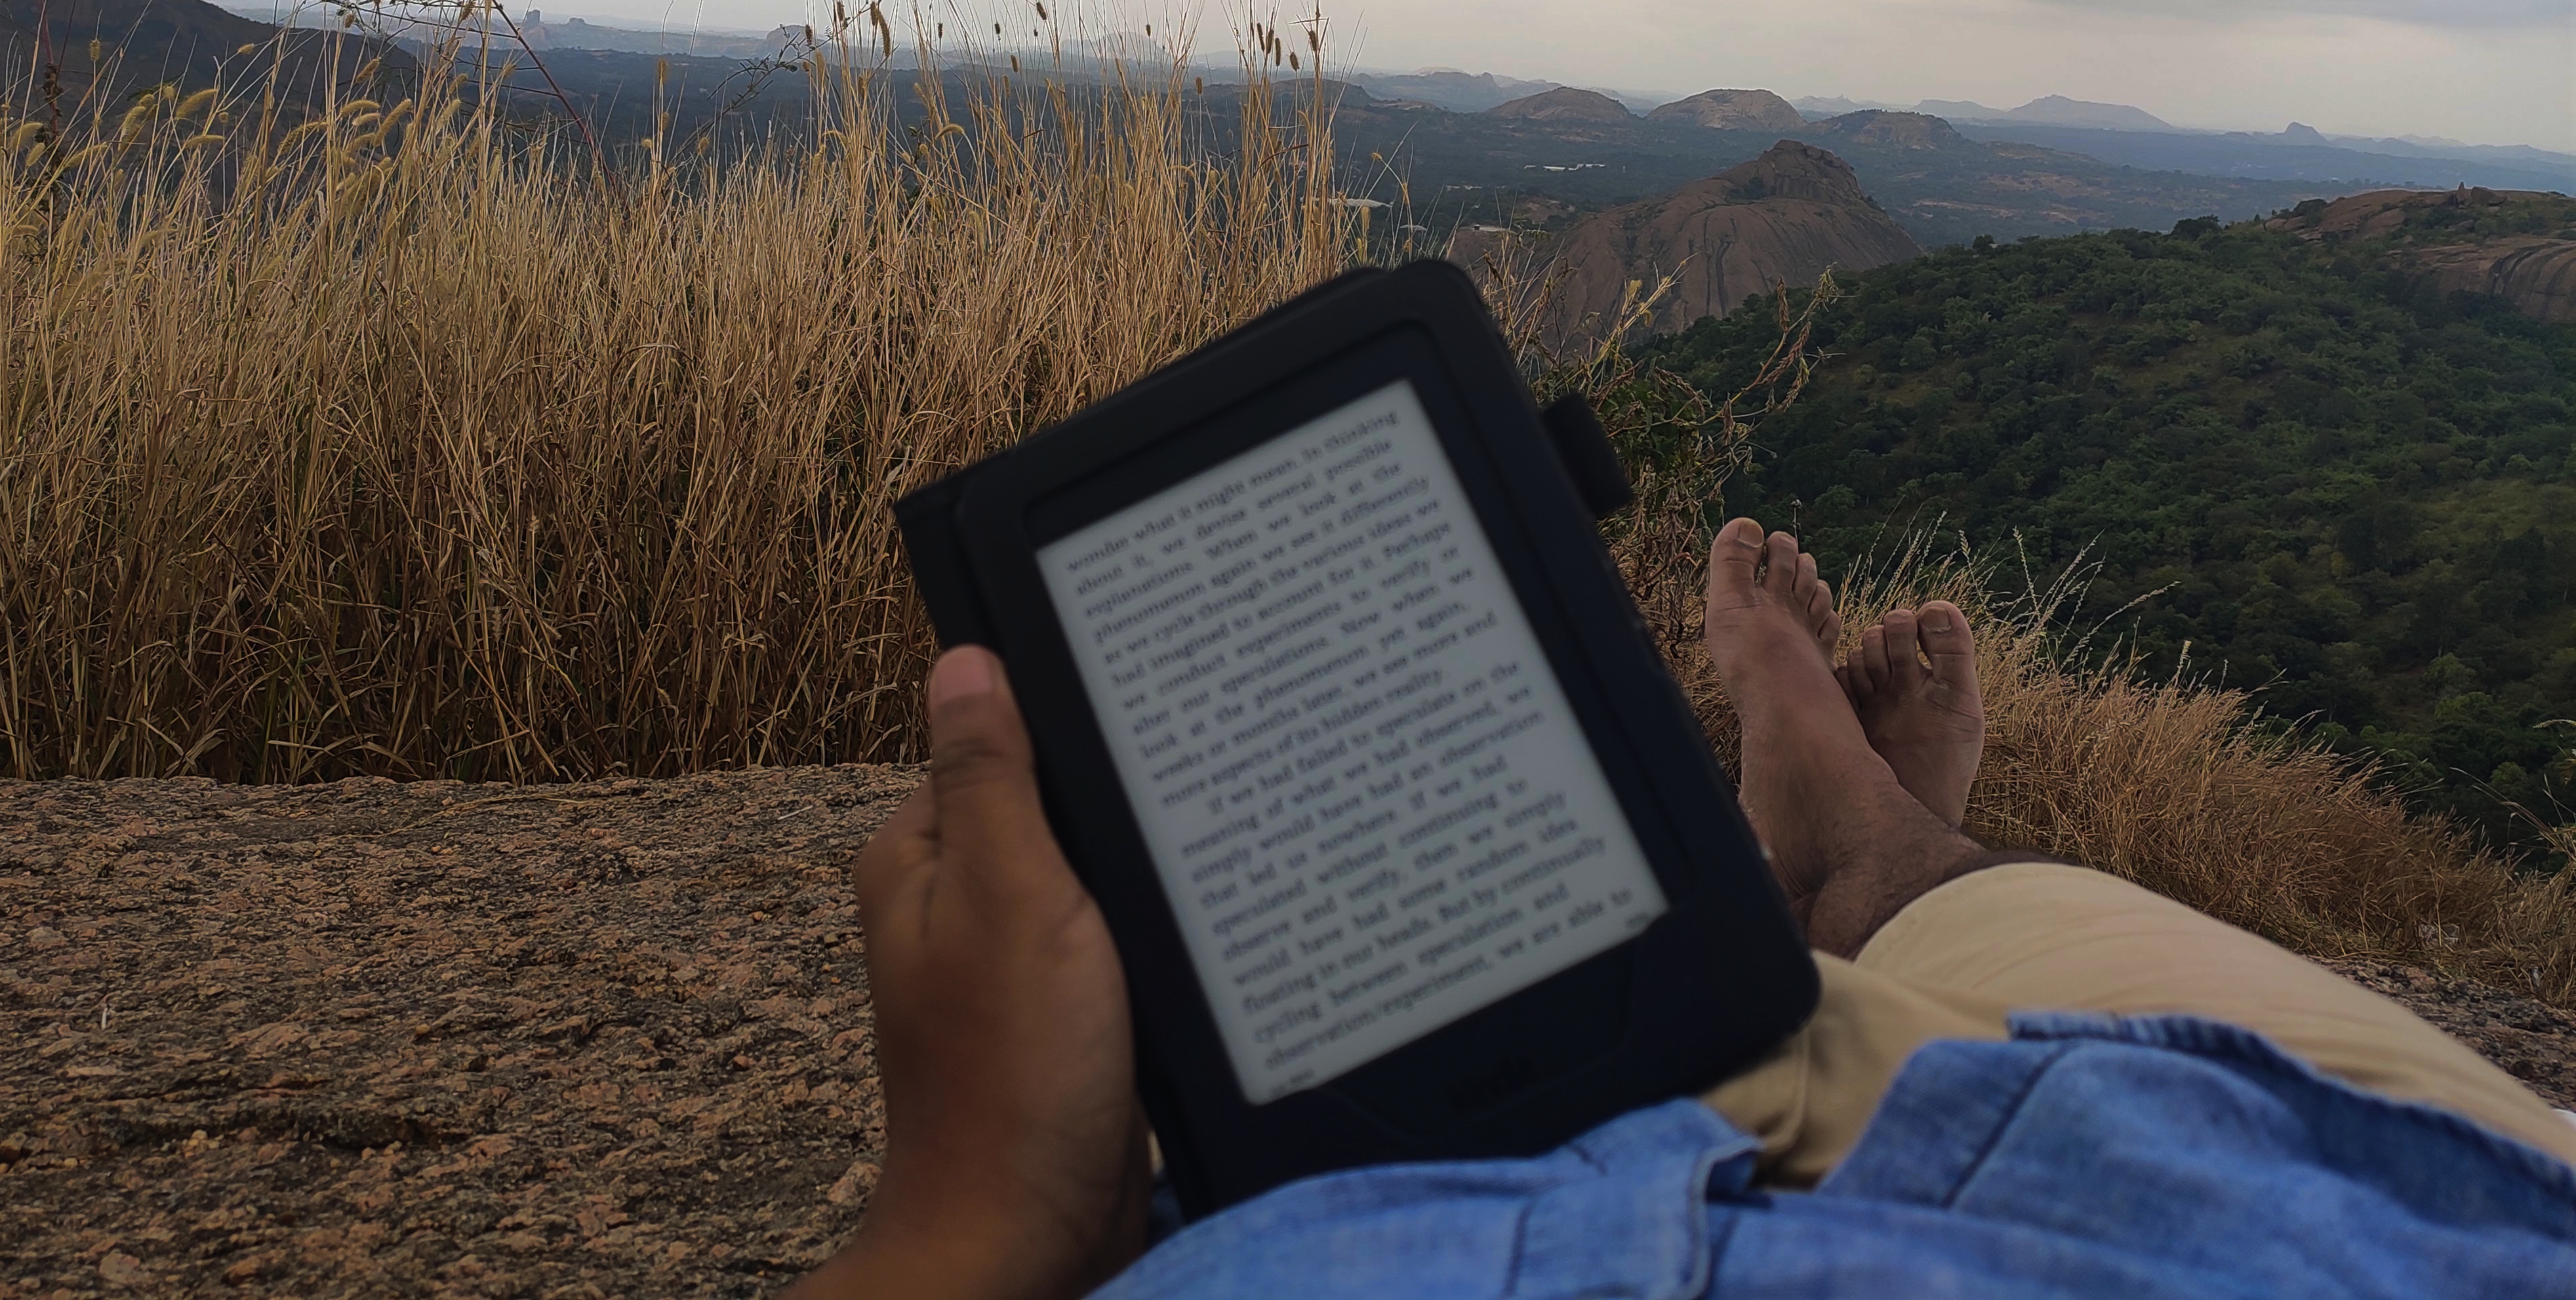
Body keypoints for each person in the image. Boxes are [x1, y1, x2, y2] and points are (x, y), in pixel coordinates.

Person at [794, 521, 2576, 1299]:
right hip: (2281, 1198)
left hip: (1373, 1198)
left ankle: (1812, 839)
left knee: (1915, 943)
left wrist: (966, 1237)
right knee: (1983, 921)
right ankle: (1857, 838)